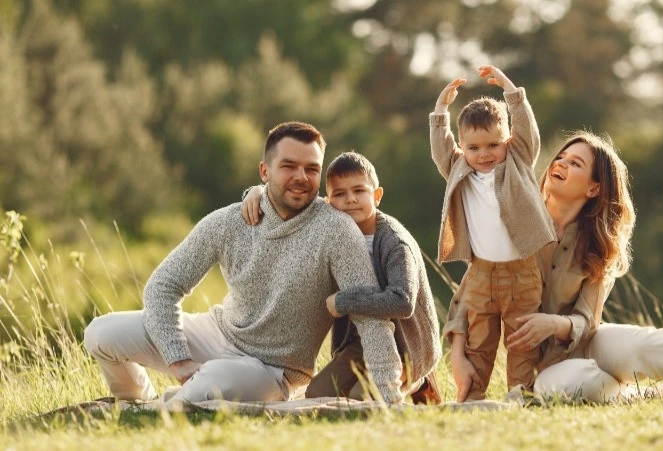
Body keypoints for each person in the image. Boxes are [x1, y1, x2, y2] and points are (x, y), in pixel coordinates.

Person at [447, 131, 663, 402]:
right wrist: (460, 355)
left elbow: (588, 322)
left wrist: (554, 323)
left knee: (645, 343)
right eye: (562, 157)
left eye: (575, 164)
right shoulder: (513, 222)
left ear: (593, 189)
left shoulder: (598, 246)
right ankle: (645, 394)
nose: (560, 164)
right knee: (562, 386)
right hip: (541, 368)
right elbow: (472, 291)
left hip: (585, 342)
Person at [83, 121, 406, 404]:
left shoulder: (337, 230)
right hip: (217, 333)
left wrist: (390, 395)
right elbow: (163, 286)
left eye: (311, 169)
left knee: (209, 385)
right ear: (264, 171)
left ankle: (173, 405)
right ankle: (137, 404)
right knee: (101, 333)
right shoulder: (228, 221)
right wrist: (178, 360)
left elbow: (370, 316)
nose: (301, 177)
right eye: (288, 166)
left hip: (271, 371)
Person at [242, 151, 443, 404]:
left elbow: (402, 301)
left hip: (406, 347)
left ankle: (417, 382)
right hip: (360, 343)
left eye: (359, 191)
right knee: (317, 394)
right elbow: (295, 205)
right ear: (328, 203)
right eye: (339, 194)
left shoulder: (394, 243)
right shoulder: (333, 232)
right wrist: (258, 192)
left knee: (364, 399)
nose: (350, 200)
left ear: (377, 196)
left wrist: (344, 301)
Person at [429, 65, 557, 400]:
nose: (484, 154)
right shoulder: (459, 169)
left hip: (523, 272)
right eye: (473, 148)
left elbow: (527, 131)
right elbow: (441, 149)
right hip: (482, 274)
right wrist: (441, 110)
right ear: (463, 147)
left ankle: (521, 392)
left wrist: (511, 91)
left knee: (522, 339)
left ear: (508, 141)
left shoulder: (518, 159)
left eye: (492, 145)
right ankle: (474, 397)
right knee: (479, 341)